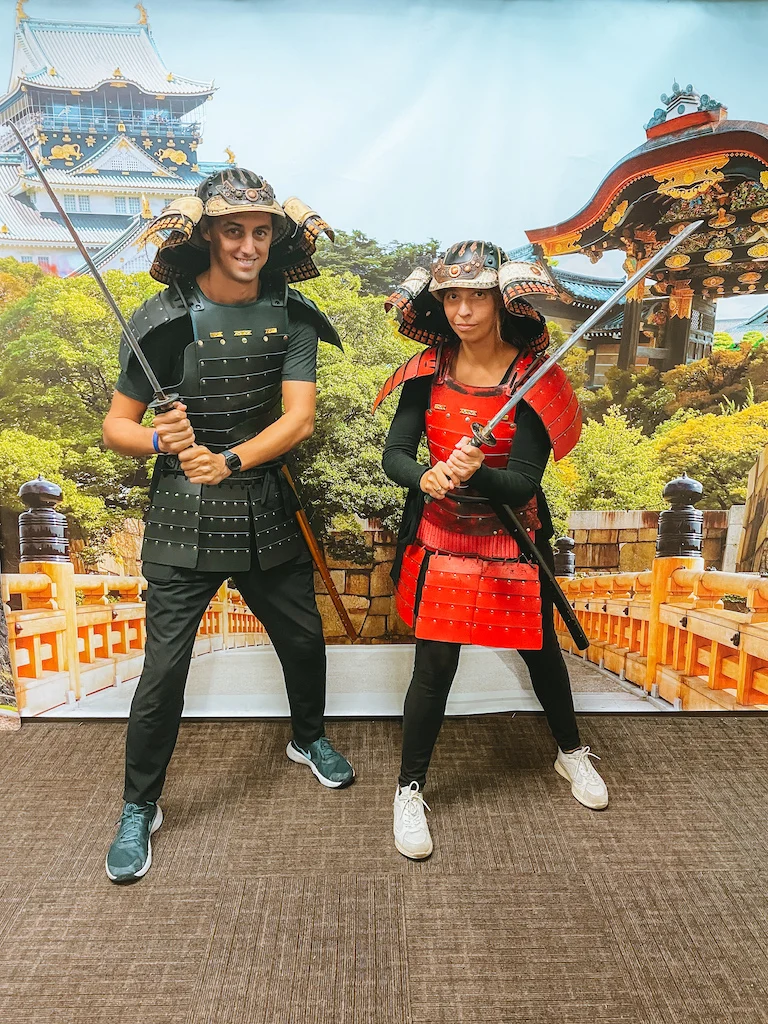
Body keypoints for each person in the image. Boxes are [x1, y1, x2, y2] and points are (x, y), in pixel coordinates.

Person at [102, 168, 354, 883]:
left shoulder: (293, 314)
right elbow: (116, 425)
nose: (249, 245)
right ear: (209, 234)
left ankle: (307, 739)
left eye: (261, 231)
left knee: (304, 640)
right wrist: (162, 442)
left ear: (276, 238)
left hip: (262, 502)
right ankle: (137, 805)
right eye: (235, 230)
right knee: (164, 672)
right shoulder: (164, 318)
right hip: (183, 514)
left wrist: (231, 458)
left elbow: (297, 417)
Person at [375, 241, 608, 860]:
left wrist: (475, 470)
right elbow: (395, 453)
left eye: (474, 295)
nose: (462, 310)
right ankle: (409, 788)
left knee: (541, 655)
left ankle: (571, 753)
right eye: (450, 296)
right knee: (434, 669)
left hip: (511, 537)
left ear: (501, 299)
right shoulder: (425, 371)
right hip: (444, 537)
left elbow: (524, 482)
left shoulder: (534, 376)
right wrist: (422, 476)